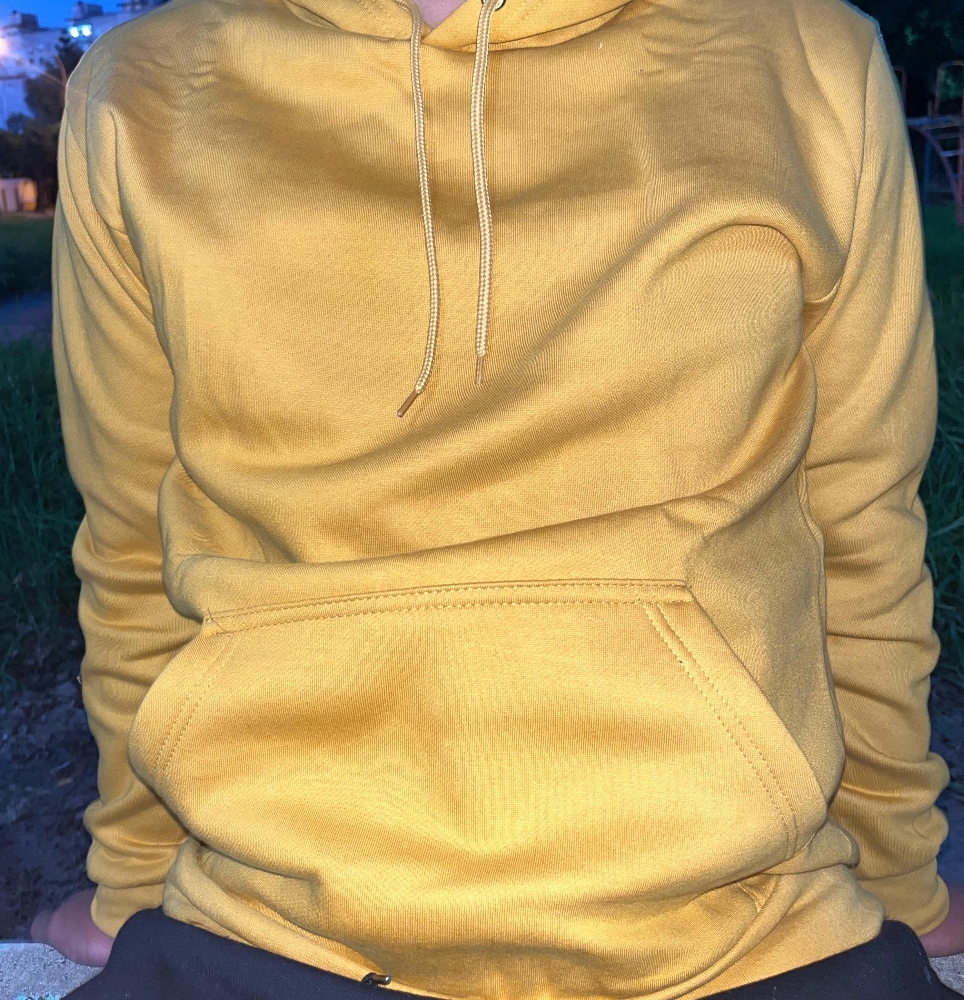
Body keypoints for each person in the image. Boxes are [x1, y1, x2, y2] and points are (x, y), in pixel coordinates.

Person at [27, 0, 964, 994]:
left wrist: (895, 873)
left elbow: (859, 524)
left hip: (741, 933)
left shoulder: (801, 57)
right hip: (265, 933)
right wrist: (136, 873)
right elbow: (133, 545)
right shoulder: (144, 91)